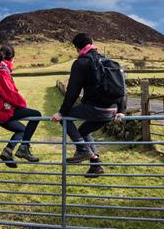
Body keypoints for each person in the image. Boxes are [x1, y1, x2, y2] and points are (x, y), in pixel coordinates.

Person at [51, 33, 126, 178]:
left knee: (64, 119)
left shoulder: (81, 62)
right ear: (92, 43)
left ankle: (82, 149)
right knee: (84, 131)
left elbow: (73, 91)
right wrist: (121, 110)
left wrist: (61, 112)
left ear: (77, 48)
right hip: (112, 111)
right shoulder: (108, 61)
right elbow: (122, 87)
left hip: (95, 109)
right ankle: (95, 165)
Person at [0, 45, 42, 168]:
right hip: (1, 110)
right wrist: (22, 105)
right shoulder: (2, 70)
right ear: (11, 59)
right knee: (36, 115)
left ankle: (8, 151)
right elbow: (10, 93)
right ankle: (24, 148)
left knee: (22, 130)